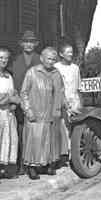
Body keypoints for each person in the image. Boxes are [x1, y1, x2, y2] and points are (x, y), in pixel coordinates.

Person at [20, 47, 64, 180]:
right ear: (42, 58)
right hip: (35, 112)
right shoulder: (32, 72)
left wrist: (57, 109)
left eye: (53, 59)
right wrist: (28, 110)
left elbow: (60, 92)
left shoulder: (56, 73)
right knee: (35, 139)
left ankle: (48, 165)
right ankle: (32, 167)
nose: (51, 62)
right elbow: (24, 93)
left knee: (49, 140)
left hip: (50, 113)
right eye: (48, 58)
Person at [11, 30, 41, 174]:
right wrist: (20, 101)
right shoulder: (16, 61)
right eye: (26, 42)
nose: (28, 44)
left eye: (31, 42)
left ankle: (33, 165)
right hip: (19, 103)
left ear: (35, 44)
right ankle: (20, 164)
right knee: (20, 133)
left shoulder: (39, 60)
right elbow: (15, 83)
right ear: (22, 44)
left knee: (34, 134)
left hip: (35, 102)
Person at [54, 43, 82, 162]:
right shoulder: (56, 67)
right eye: (68, 52)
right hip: (62, 102)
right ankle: (63, 155)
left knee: (74, 128)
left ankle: (74, 155)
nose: (70, 54)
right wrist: (63, 102)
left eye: (71, 52)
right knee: (63, 128)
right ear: (61, 54)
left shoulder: (75, 68)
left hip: (74, 100)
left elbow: (78, 87)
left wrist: (80, 103)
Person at [0, 48, 20, 178]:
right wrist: (7, 98)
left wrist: (13, 102)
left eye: (6, 58)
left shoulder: (8, 76)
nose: (3, 60)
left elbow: (13, 94)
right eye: (1, 58)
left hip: (8, 113)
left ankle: (6, 169)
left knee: (9, 139)